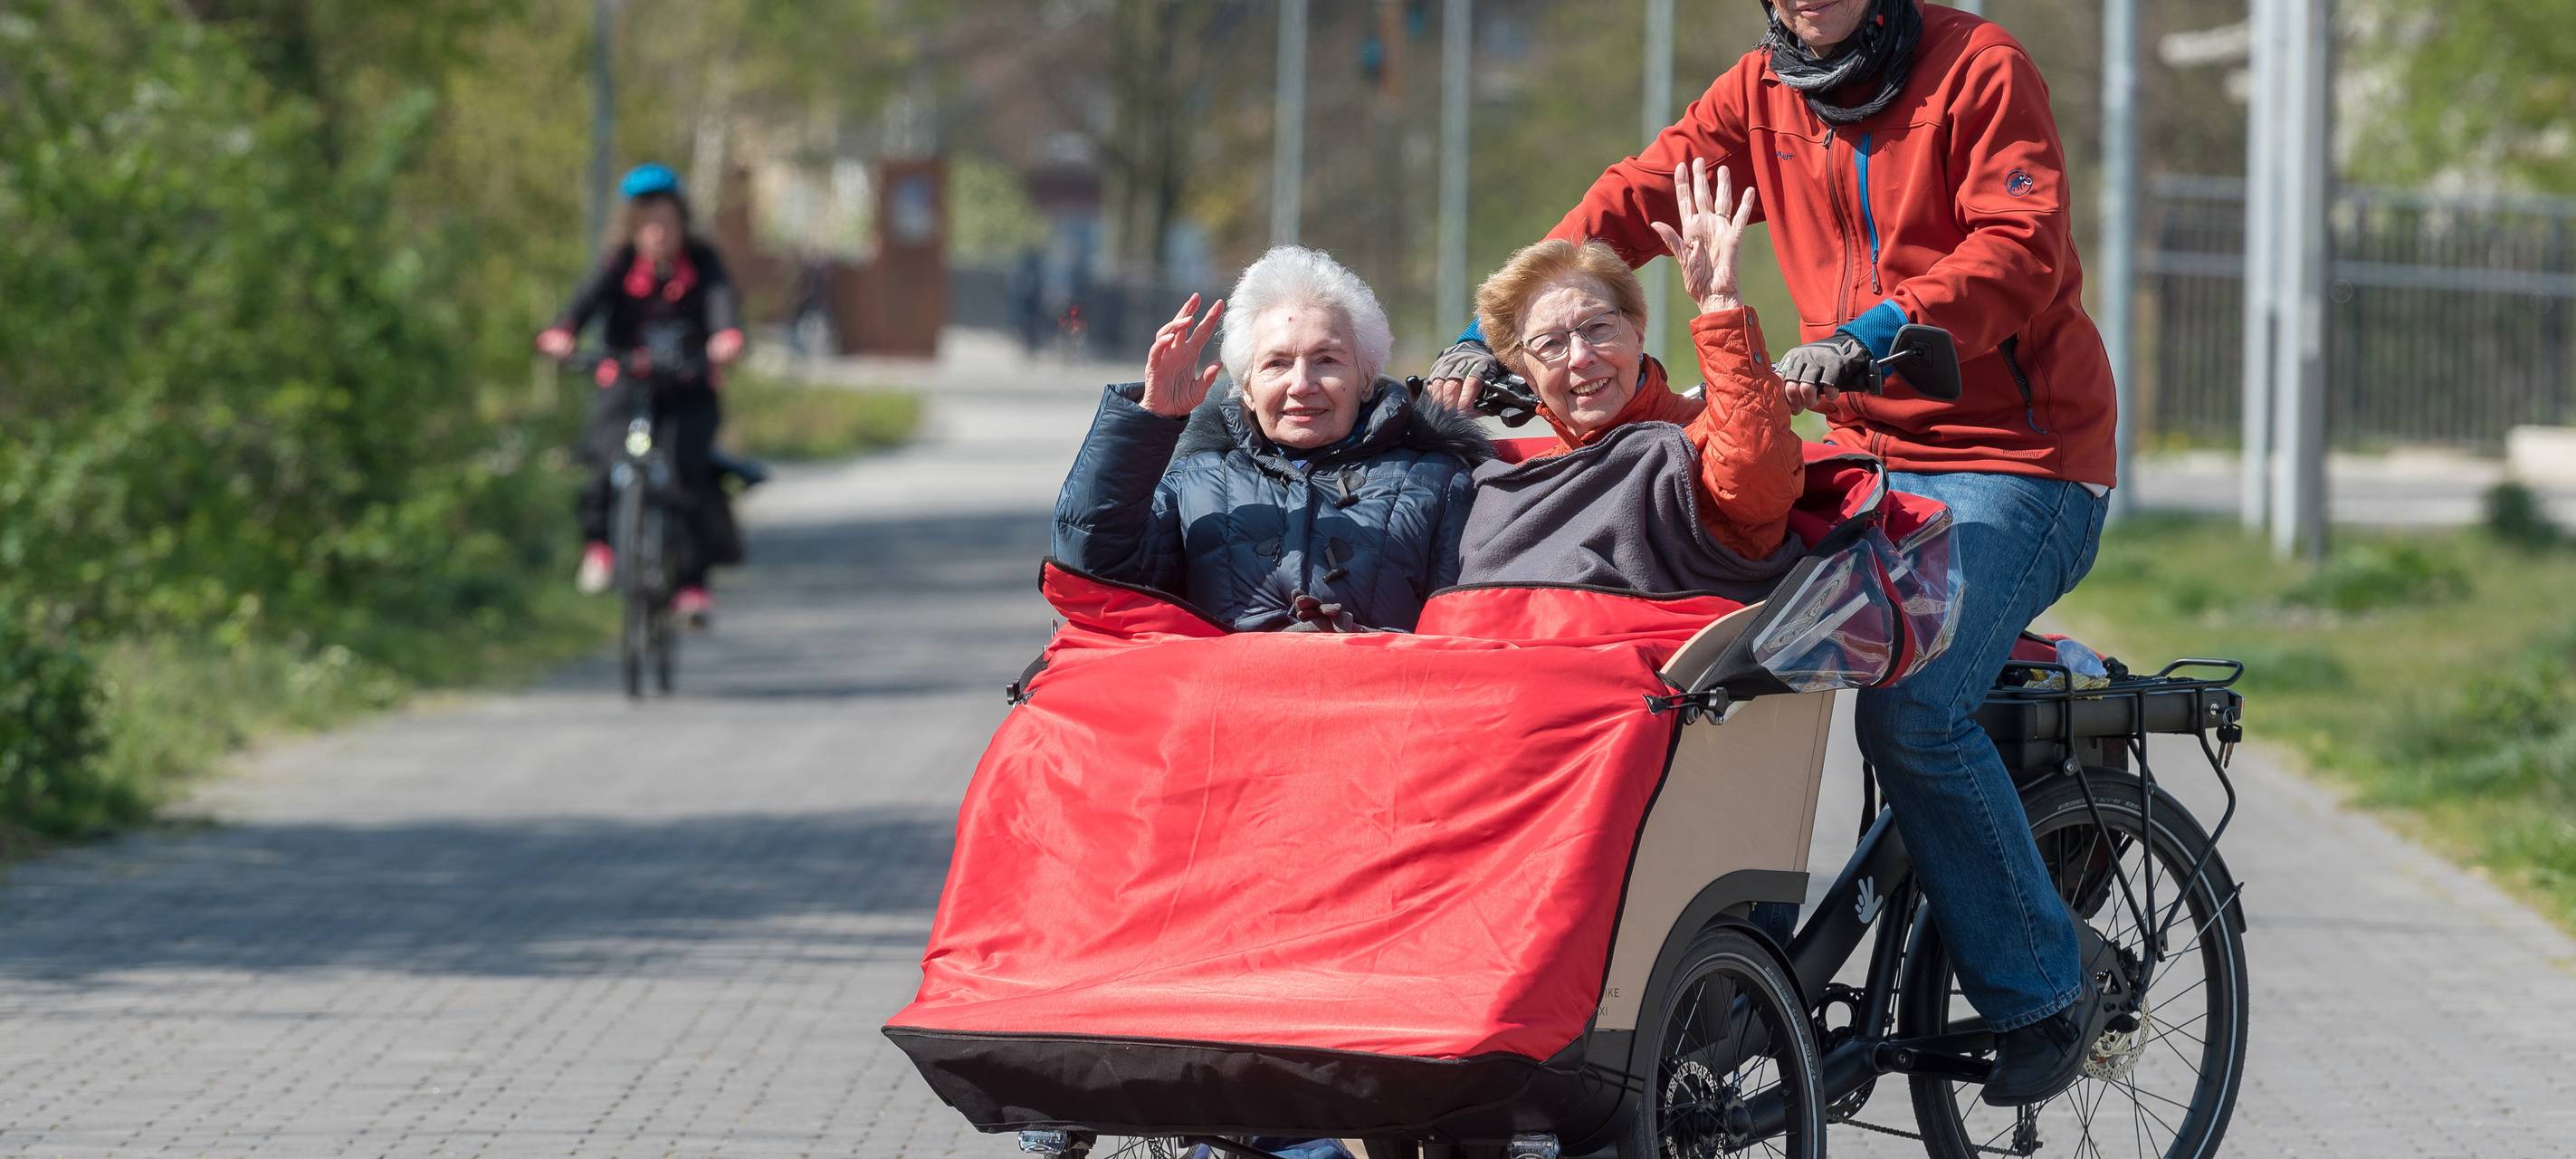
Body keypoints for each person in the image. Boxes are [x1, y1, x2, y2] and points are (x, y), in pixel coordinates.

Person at [1424, 0, 2117, 1107]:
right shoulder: (1762, 90)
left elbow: (2016, 249)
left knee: (1913, 710)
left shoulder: (1978, 67)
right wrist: (1496, 326)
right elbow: (1633, 203)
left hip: (2014, 461)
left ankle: (2041, 984)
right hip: (1853, 452)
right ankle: (1747, 983)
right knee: (1723, 676)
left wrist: (1875, 332)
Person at [1052, 246, 1490, 633]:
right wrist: (1147, 421)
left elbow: (1467, 633)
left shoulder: (1438, 482)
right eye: (1277, 363)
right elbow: (1092, 569)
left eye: (1327, 360)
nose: (1302, 384)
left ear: (1366, 378)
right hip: (1223, 717)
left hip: (1378, 715)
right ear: (1245, 386)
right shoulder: (1196, 479)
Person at [1439, 159, 1801, 587]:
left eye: (1598, 328)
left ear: (1637, 332)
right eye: (1550, 344)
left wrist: (1721, 304)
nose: (1580, 356)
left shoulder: (1701, 441)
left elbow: (1757, 488)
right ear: (1526, 373)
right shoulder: (1518, 486)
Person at [537, 163, 745, 626]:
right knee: (603, 458)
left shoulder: (703, 263)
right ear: (634, 227)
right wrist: (562, 333)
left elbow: (722, 305)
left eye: (666, 222)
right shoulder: (618, 264)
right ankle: (601, 546)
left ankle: (691, 585)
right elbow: (582, 304)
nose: (658, 233)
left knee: (686, 475)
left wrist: (726, 336)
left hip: (688, 386)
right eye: (648, 223)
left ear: (681, 222)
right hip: (628, 383)